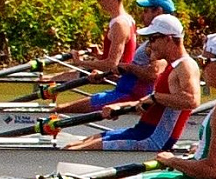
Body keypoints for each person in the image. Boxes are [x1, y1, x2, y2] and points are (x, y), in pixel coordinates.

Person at [64, 33, 216, 179]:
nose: (202, 68)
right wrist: (206, 151)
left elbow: (215, 170)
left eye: (205, 61)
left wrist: (173, 161)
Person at [63, 13, 200, 152]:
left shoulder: (186, 66)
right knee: (78, 143)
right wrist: (121, 107)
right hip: (142, 132)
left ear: (168, 39)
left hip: (153, 141)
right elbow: (154, 101)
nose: (150, 45)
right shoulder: (172, 66)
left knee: (76, 150)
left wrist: (155, 97)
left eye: (152, 39)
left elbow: (192, 100)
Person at [53, 0, 145, 114]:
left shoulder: (120, 24)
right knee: (52, 78)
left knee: (51, 86)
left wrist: (80, 62)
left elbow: (112, 64)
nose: (99, 1)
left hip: (119, 80)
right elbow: (121, 57)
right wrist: (99, 55)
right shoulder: (127, 19)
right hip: (118, 78)